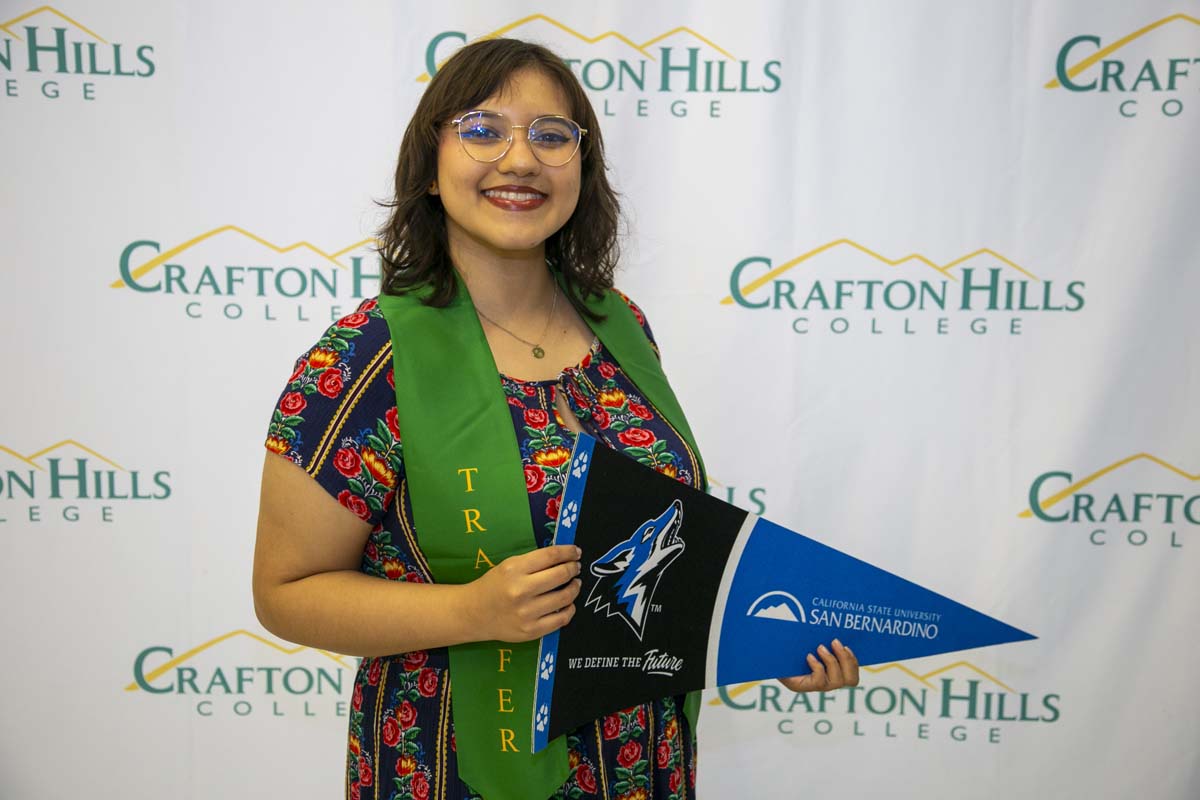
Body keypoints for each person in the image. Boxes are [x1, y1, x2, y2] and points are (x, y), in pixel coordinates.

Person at [253, 38, 858, 800]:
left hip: (640, 762)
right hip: (453, 767)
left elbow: (653, 554)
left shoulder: (619, 327)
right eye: (482, 129)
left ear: (583, 166)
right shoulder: (368, 358)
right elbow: (286, 591)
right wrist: (471, 609)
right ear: (430, 166)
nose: (519, 159)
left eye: (551, 135)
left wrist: (769, 637)